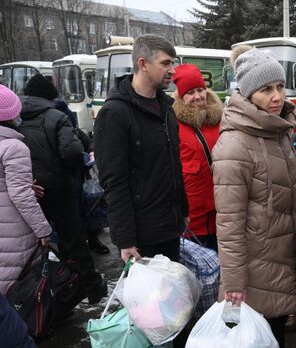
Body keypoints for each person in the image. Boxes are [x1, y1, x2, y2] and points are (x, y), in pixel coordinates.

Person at [212, 45, 296, 347]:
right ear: (248, 93)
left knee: (273, 337)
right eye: (266, 89)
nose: (277, 97)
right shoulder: (234, 145)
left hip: (280, 257)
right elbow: (229, 223)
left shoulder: (277, 130)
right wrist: (233, 283)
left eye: (280, 86)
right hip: (254, 270)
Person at [94, 34, 189, 263]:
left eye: (173, 63)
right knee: (148, 299)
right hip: (141, 235)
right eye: (165, 63)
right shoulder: (115, 113)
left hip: (169, 228)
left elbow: (172, 164)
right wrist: (125, 240)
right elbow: (114, 181)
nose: (172, 70)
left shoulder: (166, 107)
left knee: (174, 296)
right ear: (143, 64)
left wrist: (182, 211)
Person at [18, 74, 107, 304]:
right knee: (74, 239)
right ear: (49, 97)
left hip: (29, 190)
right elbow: (71, 153)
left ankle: (43, 294)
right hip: (59, 188)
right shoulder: (56, 117)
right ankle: (91, 288)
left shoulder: (14, 117)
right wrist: (77, 165)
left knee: (38, 243)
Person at [0, 84, 51, 296]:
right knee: (16, 287)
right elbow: (20, 196)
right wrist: (43, 230)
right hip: (12, 229)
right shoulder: (13, 147)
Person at [171, 63, 223, 250]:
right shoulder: (175, 124)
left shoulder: (219, 119)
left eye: (200, 90)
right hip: (194, 214)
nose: (198, 96)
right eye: (190, 92)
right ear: (181, 97)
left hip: (221, 209)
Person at [53, 99, 109, 254]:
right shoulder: (54, 131)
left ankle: (92, 241)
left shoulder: (75, 131)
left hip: (82, 179)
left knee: (90, 210)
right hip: (67, 181)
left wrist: (91, 152)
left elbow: (90, 144)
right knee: (72, 216)